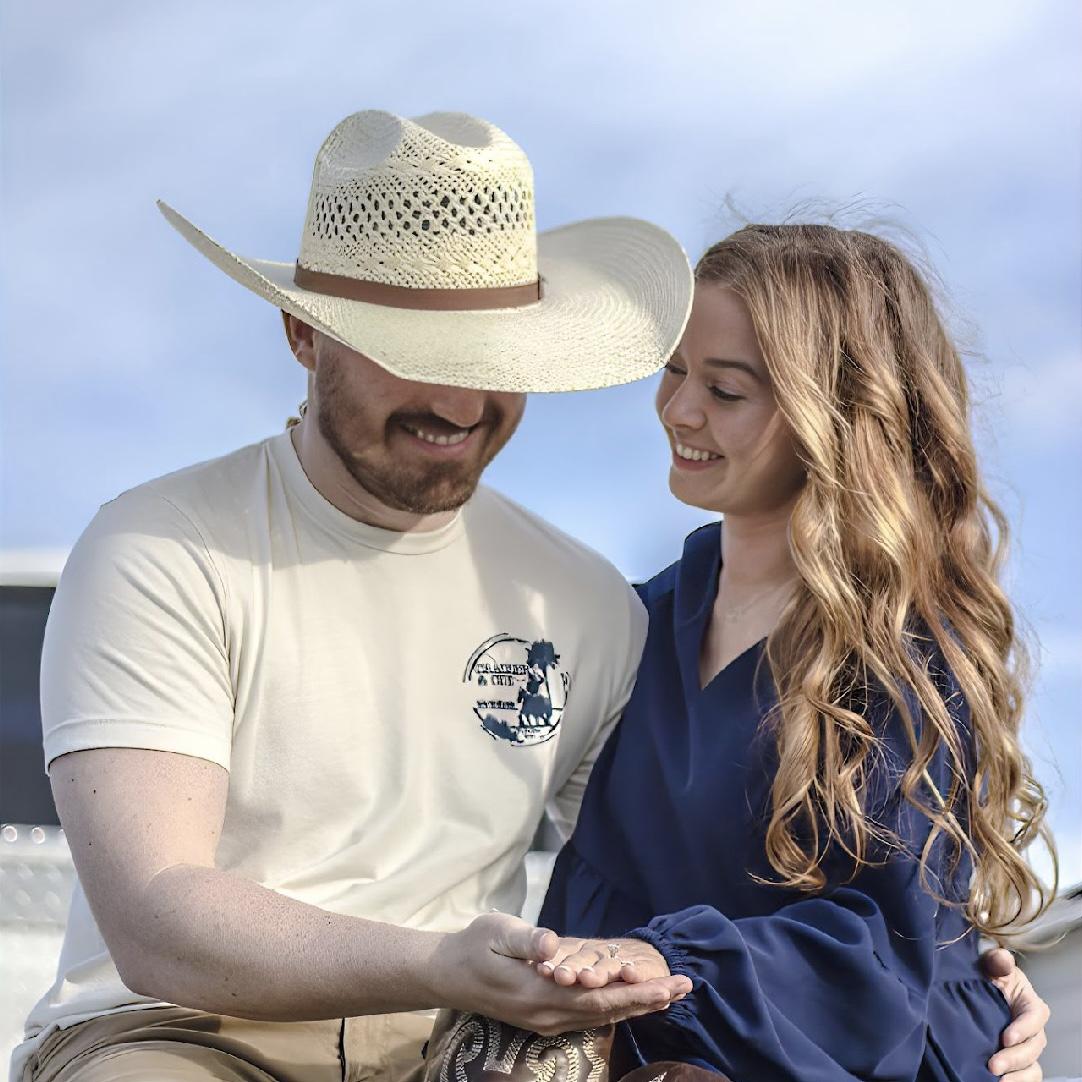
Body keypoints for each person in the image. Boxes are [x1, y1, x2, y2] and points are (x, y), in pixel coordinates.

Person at [10, 112, 1046, 1082]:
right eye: (409, 354)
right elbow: (157, 917)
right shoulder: (162, 547)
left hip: (462, 1044)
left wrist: (956, 981)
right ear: (302, 333)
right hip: (186, 1030)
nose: (457, 399)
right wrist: (446, 965)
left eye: (487, 356)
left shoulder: (588, 605)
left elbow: (706, 869)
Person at [488, 224, 1053, 1082]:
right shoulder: (630, 621)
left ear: (836, 419)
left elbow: (888, 950)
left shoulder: (906, 652)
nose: (679, 410)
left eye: (726, 390)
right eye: (674, 370)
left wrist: (662, 959)